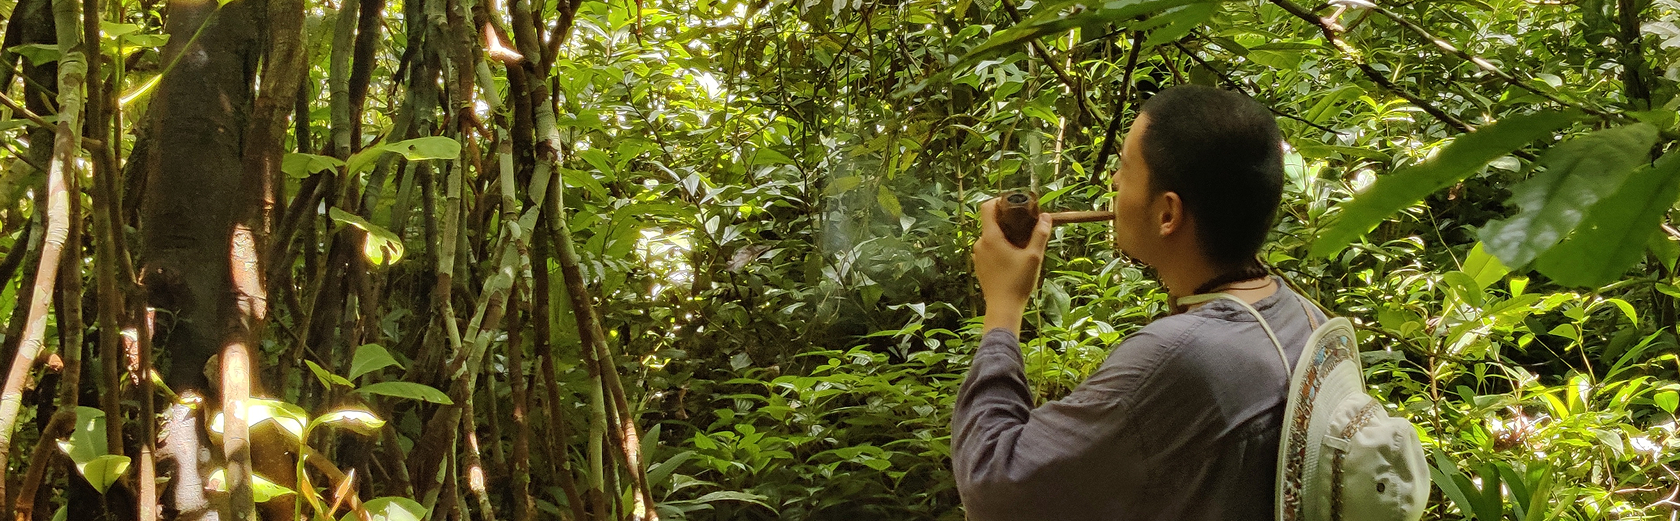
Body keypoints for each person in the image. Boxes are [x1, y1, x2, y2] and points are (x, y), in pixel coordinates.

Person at [953, 84, 1327, 520]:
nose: (1113, 182)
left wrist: (1002, 308)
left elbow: (994, 487)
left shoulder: (1179, 360)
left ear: (1167, 213)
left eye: (1125, 168)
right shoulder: (1304, 315)